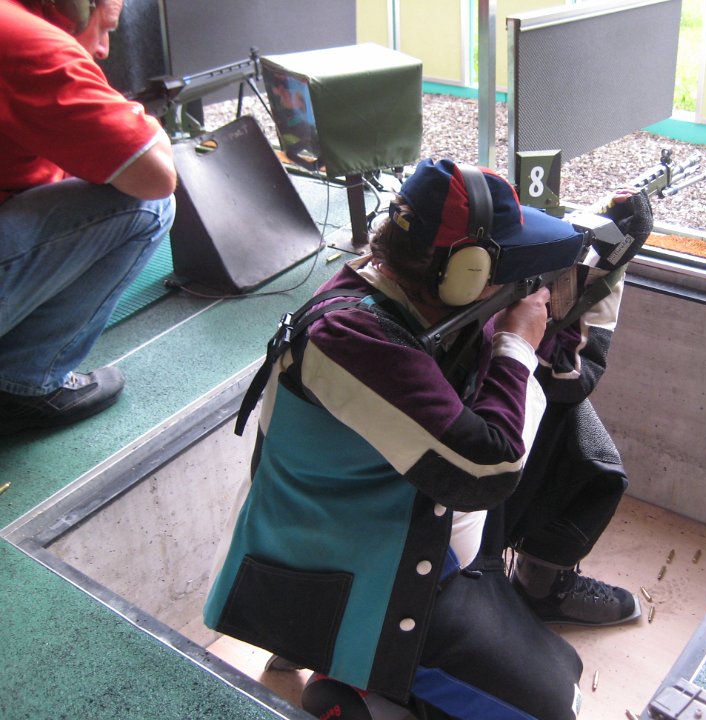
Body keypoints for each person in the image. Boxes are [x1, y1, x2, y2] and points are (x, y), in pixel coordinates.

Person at [204, 159, 652, 719]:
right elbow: (485, 471)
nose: (516, 285)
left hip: (404, 527)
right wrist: (515, 344)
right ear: (462, 275)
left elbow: (558, 362)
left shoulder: (414, 293)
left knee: (562, 669)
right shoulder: (347, 337)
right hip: (348, 572)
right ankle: (353, 688)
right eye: (506, 269)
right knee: (555, 708)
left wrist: (605, 266)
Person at [0, 0, 177, 435]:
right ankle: (24, 383)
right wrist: (138, 120)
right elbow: (155, 176)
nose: (103, 48)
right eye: (105, 27)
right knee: (147, 208)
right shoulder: (30, 43)